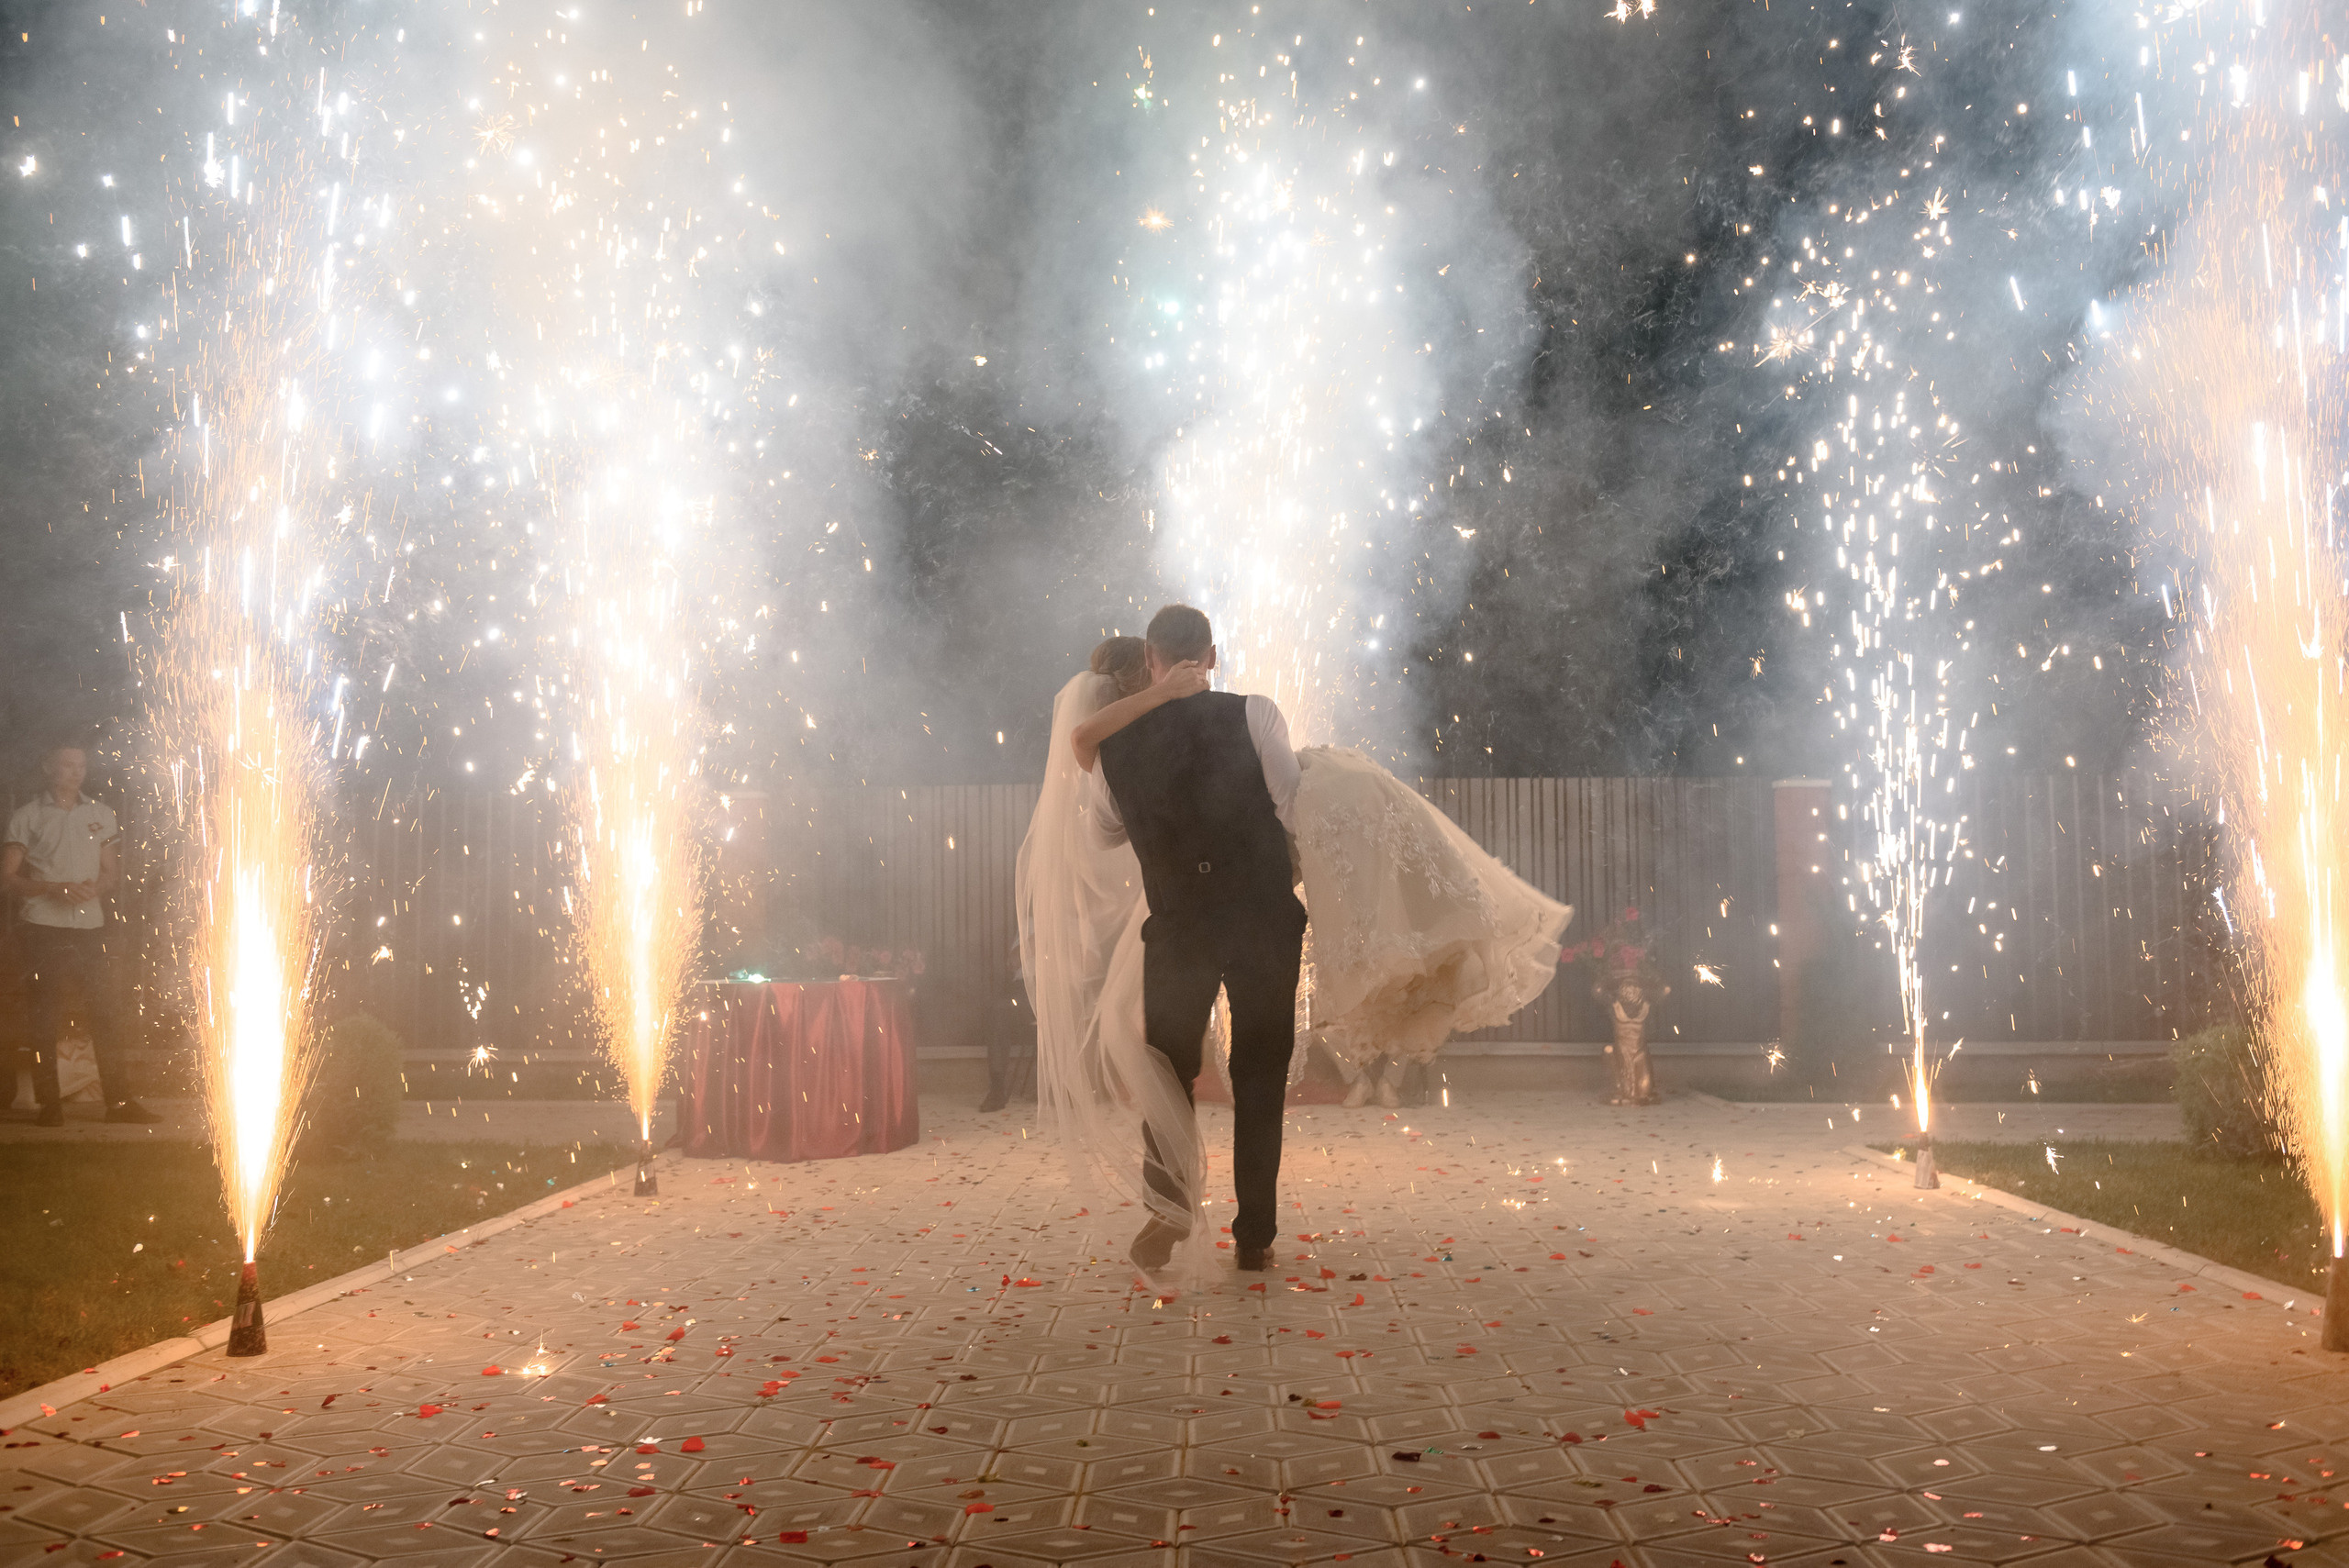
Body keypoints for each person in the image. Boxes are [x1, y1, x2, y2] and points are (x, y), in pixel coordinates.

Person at [1020, 612, 1574, 1283]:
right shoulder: (1255, 713)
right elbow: (1291, 806)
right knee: (1259, 1077)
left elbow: (1108, 832)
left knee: (1166, 1069)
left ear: (1152, 658)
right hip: (1261, 924)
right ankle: (1255, 1234)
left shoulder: (1116, 748)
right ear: (1212, 655)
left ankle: (1167, 1207)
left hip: (1177, 929)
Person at [3, 742, 154, 1125]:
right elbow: (8, 877)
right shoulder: (27, 816)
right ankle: (49, 1105)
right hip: (42, 926)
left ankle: (118, 1103)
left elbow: (110, 873)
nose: (76, 772)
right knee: (44, 1014)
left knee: (105, 1012)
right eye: (67, 765)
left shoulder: (101, 814)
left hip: (90, 927)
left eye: (81, 766)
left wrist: (95, 888)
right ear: (48, 767)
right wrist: (51, 888)